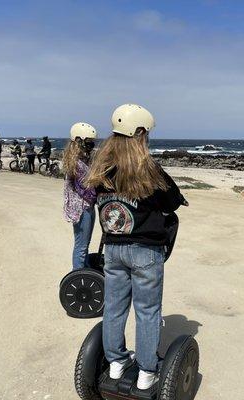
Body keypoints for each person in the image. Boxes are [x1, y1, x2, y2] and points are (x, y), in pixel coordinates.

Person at [85, 104, 184, 390]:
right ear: (140, 133)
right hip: (144, 251)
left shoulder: (101, 166)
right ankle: (146, 373)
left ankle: (116, 364)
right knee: (147, 311)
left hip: (113, 249)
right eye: (147, 134)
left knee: (114, 308)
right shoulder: (147, 168)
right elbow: (172, 201)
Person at [62, 122, 98, 269]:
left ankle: (85, 270)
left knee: (84, 244)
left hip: (86, 206)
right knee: (81, 246)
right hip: (82, 208)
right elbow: (86, 189)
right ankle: (78, 274)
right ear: (79, 141)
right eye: (89, 143)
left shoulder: (82, 160)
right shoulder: (76, 163)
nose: (91, 146)